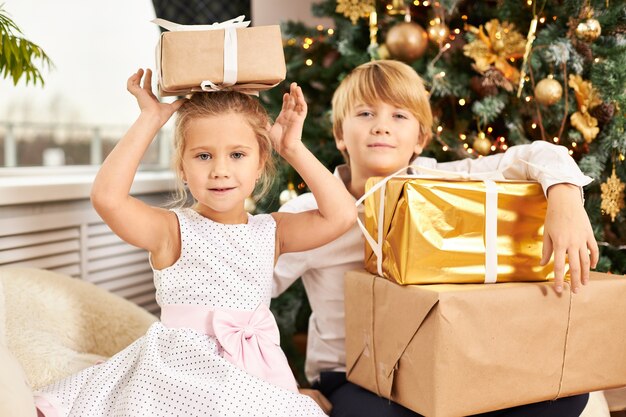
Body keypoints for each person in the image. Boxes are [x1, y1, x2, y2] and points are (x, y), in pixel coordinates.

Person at [274, 60, 598, 417]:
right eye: (365, 113)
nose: (381, 127)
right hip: (353, 377)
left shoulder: (442, 183)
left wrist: (566, 196)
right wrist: (282, 387)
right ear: (339, 135)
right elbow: (238, 288)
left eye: (399, 116)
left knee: (566, 396)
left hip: (441, 366)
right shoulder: (309, 212)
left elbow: (538, 154)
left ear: (421, 139)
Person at [33, 68, 357, 417]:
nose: (220, 170)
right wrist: (149, 119)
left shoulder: (272, 231)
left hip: (251, 373)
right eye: (204, 156)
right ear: (183, 168)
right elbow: (108, 198)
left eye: (237, 155)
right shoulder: (171, 229)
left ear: (261, 162)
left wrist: (291, 147)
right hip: (179, 375)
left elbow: (341, 216)